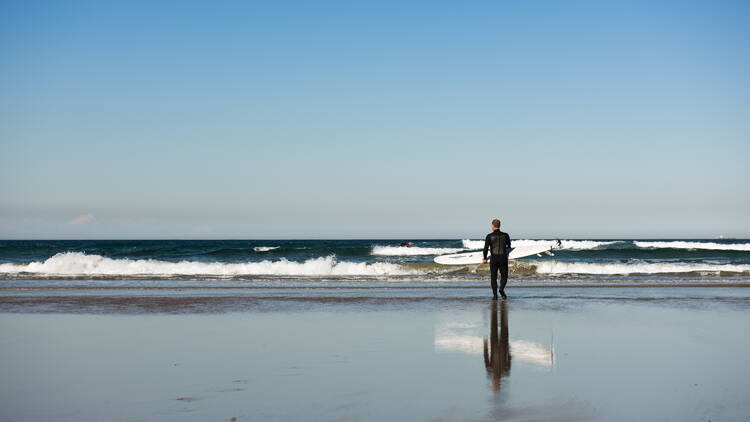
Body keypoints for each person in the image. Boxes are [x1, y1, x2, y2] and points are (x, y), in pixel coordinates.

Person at [482, 219, 511, 299]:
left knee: (493, 278)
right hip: (503, 258)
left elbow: (485, 248)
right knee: (504, 276)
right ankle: (501, 289)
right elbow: (509, 246)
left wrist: (484, 258)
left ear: (493, 226)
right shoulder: (505, 235)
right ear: (499, 226)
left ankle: (495, 296)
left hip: (494, 259)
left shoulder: (489, 236)